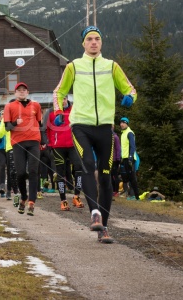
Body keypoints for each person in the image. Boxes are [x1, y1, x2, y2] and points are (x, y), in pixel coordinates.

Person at [53, 25, 137, 243]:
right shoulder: (73, 67)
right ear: (83, 43)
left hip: (105, 128)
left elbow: (131, 89)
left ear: (101, 42)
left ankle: (104, 228)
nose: (93, 42)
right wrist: (58, 111)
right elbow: (59, 91)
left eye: (97, 39)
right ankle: (94, 213)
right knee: (88, 165)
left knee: (107, 177)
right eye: (89, 39)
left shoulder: (111, 66)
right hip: (80, 125)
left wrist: (130, 97)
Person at [3, 82, 43, 216]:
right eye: (19, 90)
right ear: (15, 93)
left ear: (27, 92)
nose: (21, 92)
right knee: (19, 173)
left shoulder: (36, 105)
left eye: (24, 90)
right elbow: (7, 127)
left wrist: (43, 141)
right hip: (18, 143)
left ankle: (32, 201)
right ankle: (24, 197)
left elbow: (40, 123)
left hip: (34, 141)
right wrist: (15, 123)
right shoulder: (9, 106)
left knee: (33, 171)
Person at [47, 98, 85, 211]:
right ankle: (63, 201)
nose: (62, 101)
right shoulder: (51, 112)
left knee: (79, 168)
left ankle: (76, 196)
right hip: (58, 147)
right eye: (59, 99)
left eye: (63, 98)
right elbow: (48, 129)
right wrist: (50, 144)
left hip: (73, 145)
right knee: (60, 173)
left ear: (67, 99)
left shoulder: (74, 110)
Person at [0, 104, 20, 206]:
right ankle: (14, 193)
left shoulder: (21, 117)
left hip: (23, 147)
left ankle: (19, 193)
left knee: (20, 172)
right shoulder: (5, 120)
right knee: (12, 172)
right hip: (11, 147)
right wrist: (4, 122)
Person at [120, 117, 140, 201]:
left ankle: (136, 197)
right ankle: (130, 195)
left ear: (127, 124)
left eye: (123, 123)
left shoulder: (129, 133)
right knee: (127, 177)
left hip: (130, 158)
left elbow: (132, 146)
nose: (121, 124)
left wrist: (130, 157)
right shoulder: (123, 133)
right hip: (124, 158)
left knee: (132, 178)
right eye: (120, 123)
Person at [111, 125, 122, 197]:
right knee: (110, 175)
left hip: (114, 159)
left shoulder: (115, 137)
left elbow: (118, 148)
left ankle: (116, 191)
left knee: (115, 175)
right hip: (109, 159)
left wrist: (118, 159)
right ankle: (112, 190)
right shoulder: (108, 136)